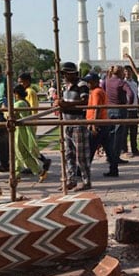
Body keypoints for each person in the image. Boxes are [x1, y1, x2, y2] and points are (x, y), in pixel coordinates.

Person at [55, 62, 91, 191]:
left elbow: (85, 101)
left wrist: (66, 105)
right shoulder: (66, 86)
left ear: (72, 74)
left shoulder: (81, 85)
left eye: (65, 74)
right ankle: (71, 179)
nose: (64, 76)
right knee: (69, 154)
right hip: (67, 122)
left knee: (81, 155)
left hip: (78, 122)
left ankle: (86, 180)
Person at [17, 72, 52, 173]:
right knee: (26, 145)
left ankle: (43, 161)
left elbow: (33, 108)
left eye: (21, 82)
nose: (20, 84)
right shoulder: (25, 92)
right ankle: (32, 164)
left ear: (27, 81)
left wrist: (29, 120)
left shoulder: (30, 92)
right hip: (27, 121)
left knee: (30, 145)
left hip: (29, 122)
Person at [12, 85, 48, 183]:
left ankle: (40, 172)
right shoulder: (25, 102)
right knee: (17, 154)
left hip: (20, 132)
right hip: (22, 130)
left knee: (23, 154)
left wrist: (4, 111)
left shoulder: (18, 104)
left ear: (16, 94)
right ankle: (16, 175)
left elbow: (11, 115)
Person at [103, 64, 134, 177]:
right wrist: (127, 105)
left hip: (109, 111)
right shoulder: (122, 82)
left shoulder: (107, 81)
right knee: (117, 139)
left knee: (110, 138)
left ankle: (111, 162)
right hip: (120, 111)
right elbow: (131, 94)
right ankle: (114, 168)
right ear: (120, 73)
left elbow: (103, 91)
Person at [84, 72, 110, 165]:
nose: (88, 84)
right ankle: (113, 168)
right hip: (103, 122)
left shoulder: (96, 92)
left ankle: (83, 169)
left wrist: (94, 124)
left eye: (89, 82)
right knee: (108, 148)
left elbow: (96, 108)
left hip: (97, 124)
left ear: (95, 82)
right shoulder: (99, 91)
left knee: (90, 148)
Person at [123, 64, 139, 156]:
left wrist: (138, 106)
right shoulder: (122, 83)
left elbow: (136, 95)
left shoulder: (134, 83)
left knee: (134, 131)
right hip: (126, 109)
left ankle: (134, 149)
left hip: (134, 109)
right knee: (125, 131)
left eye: (129, 71)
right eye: (126, 71)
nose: (128, 73)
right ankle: (125, 150)